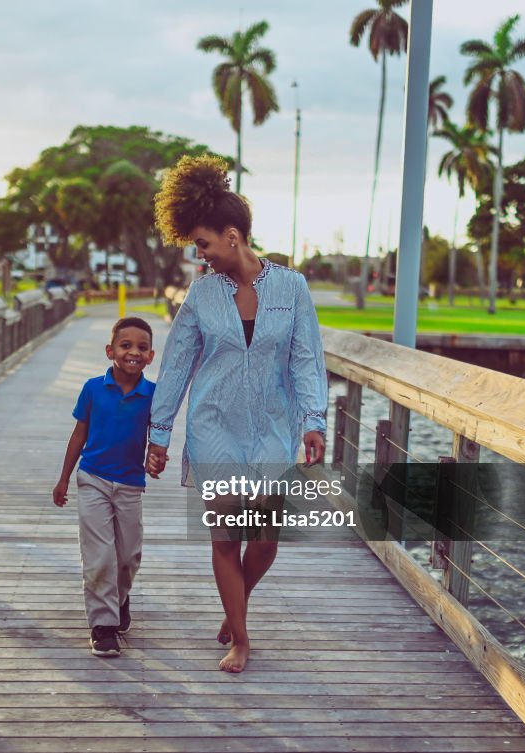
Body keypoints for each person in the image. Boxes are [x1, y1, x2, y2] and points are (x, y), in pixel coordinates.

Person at [146, 155, 327, 673]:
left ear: (232, 235)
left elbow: (306, 358)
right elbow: (177, 365)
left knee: (265, 539)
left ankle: (235, 606)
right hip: (214, 428)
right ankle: (241, 639)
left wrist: (314, 420)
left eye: (203, 244)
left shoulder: (291, 288)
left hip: (274, 428)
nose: (199, 255)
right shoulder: (201, 295)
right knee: (226, 537)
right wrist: (159, 434)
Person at [53, 317, 156, 657]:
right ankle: (103, 625)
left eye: (142, 347)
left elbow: (158, 437)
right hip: (92, 478)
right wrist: (64, 477)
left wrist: (158, 456)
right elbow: (79, 434)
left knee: (128, 556)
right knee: (99, 557)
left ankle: (120, 599)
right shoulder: (93, 388)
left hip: (129, 484)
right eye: (125, 345)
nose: (133, 352)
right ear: (110, 350)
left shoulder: (152, 394)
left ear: (151, 356)